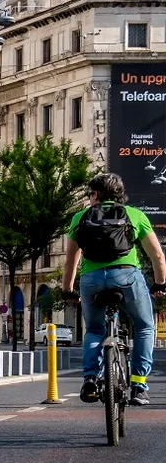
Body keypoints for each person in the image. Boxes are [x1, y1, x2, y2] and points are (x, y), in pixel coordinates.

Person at [62, 172, 166, 406]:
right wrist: (160, 283)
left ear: (96, 194)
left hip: (91, 280)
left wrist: (67, 289)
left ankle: (90, 379)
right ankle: (139, 385)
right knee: (144, 327)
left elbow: (71, 261)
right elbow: (157, 255)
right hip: (127, 277)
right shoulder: (134, 215)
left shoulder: (80, 217)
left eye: (90, 194)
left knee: (94, 329)